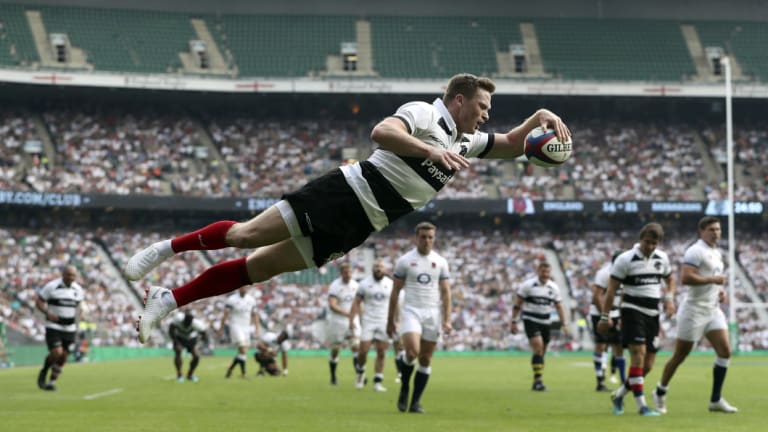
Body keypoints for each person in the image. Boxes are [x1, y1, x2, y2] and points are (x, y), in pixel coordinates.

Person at [125, 73, 571, 344]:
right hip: (343, 193)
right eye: (482, 106)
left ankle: (168, 299)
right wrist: (428, 153)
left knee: (255, 269)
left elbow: (514, 145)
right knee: (243, 235)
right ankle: (165, 250)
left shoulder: (465, 140)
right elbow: (381, 132)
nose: (486, 115)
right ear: (458, 100)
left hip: (360, 225)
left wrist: (541, 116)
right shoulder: (426, 114)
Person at [653, 217, 738, 414]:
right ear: (701, 231)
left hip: (712, 309)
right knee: (680, 355)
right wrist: (713, 279)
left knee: (725, 351)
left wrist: (719, 290)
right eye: (711, 229)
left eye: (718, 229)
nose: (716, 233)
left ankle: (715, 400)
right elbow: (686, 277)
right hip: (693, 310)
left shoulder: (716, 253)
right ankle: (660, 391)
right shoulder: (695, 250)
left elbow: (713, 280)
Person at [598, 222, 675, 416]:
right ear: (640, 239)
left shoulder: (662, 258)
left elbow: (670, 279)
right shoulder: (625, 259)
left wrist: (669, 298)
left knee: (647, 366)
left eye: (654, 243)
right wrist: (605, 316)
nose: (650, 247)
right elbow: (612, 289)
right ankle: (642, 406)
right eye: (647, 242)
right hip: (632, 311)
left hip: (653, 314)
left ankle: (619, 395)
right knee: (638, 355)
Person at [386, 221, 451, 414]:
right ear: (416, 238)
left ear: (434, 239)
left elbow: (446, 292)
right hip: (411, 310)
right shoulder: (405, 261)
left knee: (425, 359)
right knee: (412, 352)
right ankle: (405, 388)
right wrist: (391, 320)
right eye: (423, 237)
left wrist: (447, 319)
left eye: (430, 237)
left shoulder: (440, 262)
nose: (427, 241)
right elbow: (395, 291)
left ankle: (415, 402)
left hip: (432, 313)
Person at [510, 262, 569, 392]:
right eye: (543, 272)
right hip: (530, 319)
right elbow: (517, 304)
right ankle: (538, 381)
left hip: (545, 322)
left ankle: (537, 378)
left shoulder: (553, 288)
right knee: (538, 346)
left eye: (548, 272)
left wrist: (564, 323)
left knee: (542, 351)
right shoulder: (527, 285)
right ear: (538, 271)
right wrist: (513, 321)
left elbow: (559, 306)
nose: (545, 274)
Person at [35, 265, 84, 391]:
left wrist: (81, 314)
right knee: (57, 352)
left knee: (63, 356)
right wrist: (47, 312)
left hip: (70, 328)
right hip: (54, 326)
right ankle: (44, 371)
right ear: (63, 274)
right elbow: (39, 301)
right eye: (69, 274)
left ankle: (51, 382)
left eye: (73, 275)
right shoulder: (52, 286)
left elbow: (79, 306)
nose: (71, 277)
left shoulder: (78, 290)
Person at [351, 259, 394, 392]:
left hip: (384, 321)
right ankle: (360, 373)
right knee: (363, 350)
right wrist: (357, 318)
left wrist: (395, 320)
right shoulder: (364, 284)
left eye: (380, 266)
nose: (378, 269)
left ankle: (377, 381)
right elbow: (357, 302)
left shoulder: (390, 284)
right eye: (376, 266)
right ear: (372, 269)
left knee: (381, 351)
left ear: (385, 269)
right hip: (368, 321)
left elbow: (395, 302)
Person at [589, 251, 625, 392]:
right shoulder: (604, 273)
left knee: (619, 346)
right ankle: (600, 381)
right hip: (599, 313)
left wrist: (621, 314)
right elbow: (596, 297)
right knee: (601, 345)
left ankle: (623, 381)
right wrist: (605, 316)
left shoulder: (626, 274)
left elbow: (622, 295)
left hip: (616, 313)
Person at [326, 262, 360, 386]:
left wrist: (353, 318)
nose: (348, 274)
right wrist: (348, 314)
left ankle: (359, 375)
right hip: (337, 320)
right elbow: (332, 305)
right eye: (346, 272)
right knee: (336, 349)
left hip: (351, 319)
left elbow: (358, 304)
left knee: (356, 346)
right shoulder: (335, 286)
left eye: (350, 272)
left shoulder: (356, 285)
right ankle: (333, 376)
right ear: (341, 273)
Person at [219, 286, 259, 379]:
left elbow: (255, 314)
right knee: (243, 349)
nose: (244, 289)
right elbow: (225, 315)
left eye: (245, 287)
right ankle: (244, 373)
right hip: (236, 326)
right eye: (242, 287)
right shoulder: (231, 299)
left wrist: (257, 328)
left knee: (243, 352)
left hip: (246, 327)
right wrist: (221, 328)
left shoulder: (251, 300)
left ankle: (230, 370)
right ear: (238, 288)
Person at [169, 310, 209, 382]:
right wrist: (175, 342)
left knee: (196, 356)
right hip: (179, 338)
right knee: (178, 350)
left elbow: (204, 334)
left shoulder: (197, 324)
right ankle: (179, 374)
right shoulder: (177, 319)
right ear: (183, 319)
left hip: (191, 339)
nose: (186, 325)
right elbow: (171, 330)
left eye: (188, 323)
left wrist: (199, 344)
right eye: (185, 323)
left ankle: (190, 374)